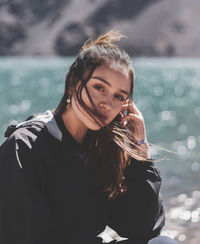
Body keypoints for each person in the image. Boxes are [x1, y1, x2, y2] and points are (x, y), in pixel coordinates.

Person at [0, 31, 178, 244]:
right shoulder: (25, 146)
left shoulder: (105, 148)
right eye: (99, 87)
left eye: (119, 96)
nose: (106, 103)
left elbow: (142, 227)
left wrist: (140, 152)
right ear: (73, 81)